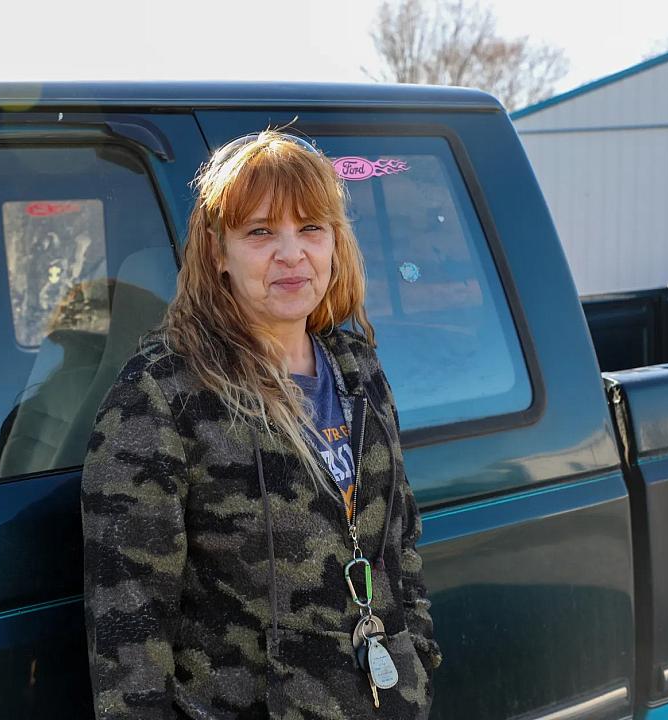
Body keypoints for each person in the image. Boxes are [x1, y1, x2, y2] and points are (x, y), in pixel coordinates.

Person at [80, 129, 441, 719]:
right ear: (218, 253)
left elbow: (399, 544)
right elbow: (129, 618)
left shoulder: (357, 368)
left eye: (311, 228)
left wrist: (417, 657)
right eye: (260, 232)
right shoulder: (163, 393)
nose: (291, 253)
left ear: (334, 243)